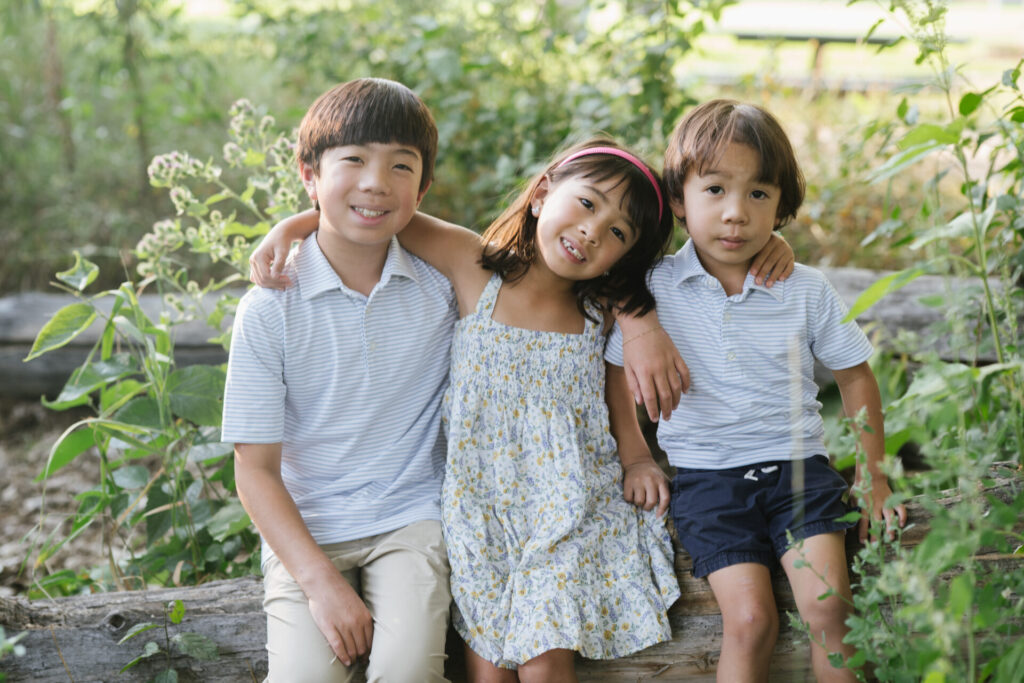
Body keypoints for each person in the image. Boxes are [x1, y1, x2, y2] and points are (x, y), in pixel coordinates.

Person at [608, 99, 909, 682]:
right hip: (709, 481)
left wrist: (873, 475)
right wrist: (637, 456)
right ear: (677, 198)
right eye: (715, 190)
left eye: (759, 194)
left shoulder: (804, 288)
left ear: (782, 204)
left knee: (829, 609)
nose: (736, 215)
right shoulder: (652, 289)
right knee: (749, 621)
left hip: (799, 472)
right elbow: (616, 376)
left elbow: (855, 375)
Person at [221, 78, 456, 682]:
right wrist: (322, 585)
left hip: (410, 519)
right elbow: (254, 469)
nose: (377, 181)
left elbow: (541, 277)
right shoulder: (270, 307)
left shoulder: (442, 289)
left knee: (408, 672)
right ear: (308, 172)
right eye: (353, 160)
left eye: (400, 166)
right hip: (308, 528)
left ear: (423, 188)